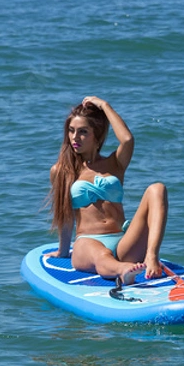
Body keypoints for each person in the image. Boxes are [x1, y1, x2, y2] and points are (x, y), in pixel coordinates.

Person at [46, 96, 168, 285]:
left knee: (157, 189)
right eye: (71, 131)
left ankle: (151, 256)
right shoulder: (62, 171)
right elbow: (66, 216)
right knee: (101, 254)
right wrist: (63, 251)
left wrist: (104, 105)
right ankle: (123, 271)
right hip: (87, 244)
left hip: (122, 242)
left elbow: (127, 139)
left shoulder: (115, 164)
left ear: (98, 136)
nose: (74, 138)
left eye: (83, 132)